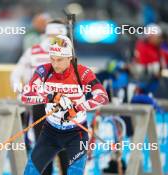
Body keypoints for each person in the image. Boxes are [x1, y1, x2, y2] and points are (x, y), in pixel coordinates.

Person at [21, 35, 109, 174]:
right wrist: (51, 97)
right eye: (52, 59)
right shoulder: (44, 71)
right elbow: (25, 96)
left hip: (77, 133)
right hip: (50, 132)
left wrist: (78, 107)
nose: (55, 64)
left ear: (70, 58)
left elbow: (103, 97)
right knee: (30, 171)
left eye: (60, 60)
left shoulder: (83, 73)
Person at [11, 19, 69, 175]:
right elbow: (16, 76)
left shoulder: (34, 51)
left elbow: (15, 76)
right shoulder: (59, 51)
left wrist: (21, 94)